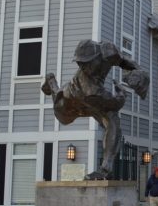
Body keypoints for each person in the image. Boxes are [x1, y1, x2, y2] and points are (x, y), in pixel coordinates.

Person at [41, 40, 149, 179]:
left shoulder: (108, 51)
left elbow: (123, 61)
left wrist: (138, 73)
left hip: (94, 102)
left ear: (97, 56)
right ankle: (51, 82)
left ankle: (105, 168)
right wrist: (121, 95)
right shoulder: (90, 89)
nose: (84, 67)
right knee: (62, 112)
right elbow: (114, 103)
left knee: (113, 121)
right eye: (80, 64)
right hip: (74, 99)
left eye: (86, 63)